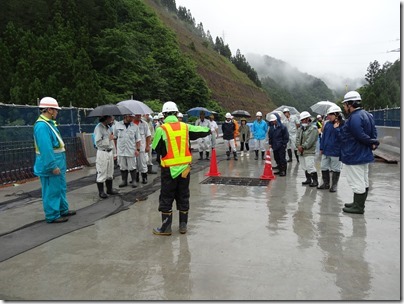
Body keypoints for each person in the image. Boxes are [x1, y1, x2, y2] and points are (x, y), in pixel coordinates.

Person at [152, 101, 211, 235]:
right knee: (183, 195)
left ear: (164, 114)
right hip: (185, 170)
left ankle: (166, 228)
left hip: (169, 170)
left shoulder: (162, 129)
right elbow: (203, 130)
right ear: (176, 113)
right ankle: (183, 226)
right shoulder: (185, 127)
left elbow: (156, 148)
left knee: (167, 197)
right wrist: (208, 129)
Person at [335, 91, 379, 214]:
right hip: (364, 154)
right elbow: (373, 131)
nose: (344, 107)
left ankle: (358, 207)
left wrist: (372, 141)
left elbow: (359, 135)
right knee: (363, 180)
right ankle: (358, 203)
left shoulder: (354, 117)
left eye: (345, 105)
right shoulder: (367, 115)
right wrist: (373, 142)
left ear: (350, 104)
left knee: (357, 181)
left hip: (354, 154)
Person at [34, 97, 76, 223]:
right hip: (51, 163)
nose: (57, 112)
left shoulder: (48, 124)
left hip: (58, 160)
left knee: (60, 187)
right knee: (51, 190)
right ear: (50, 110)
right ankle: (52, 215)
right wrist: (52, 165)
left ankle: (62, 209)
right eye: (56, 110)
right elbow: (46, 148)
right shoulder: (42, 126)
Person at [317, 105, 343, 192]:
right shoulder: (327, 124)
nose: (329, 116)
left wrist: (337, 129)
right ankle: (326, 183)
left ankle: (334, 185)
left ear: (336, 115)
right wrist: (321, 147)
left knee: (336, 169)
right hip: (326, 150)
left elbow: (342, 138)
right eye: (328, 115)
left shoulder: (342, 124)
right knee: (323, 167)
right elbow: (324, 137)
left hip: (335, 151)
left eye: (331, 115)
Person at [94, 115, 120, 198]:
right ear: (106, 118)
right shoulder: (99, 128)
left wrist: (115, 153)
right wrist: (108, 139)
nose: (112, 119)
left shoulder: (108, 127)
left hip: (110, 151)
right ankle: (101, 192)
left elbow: (112, 142)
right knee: (102, 171)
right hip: (102, 152)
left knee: (110, 172)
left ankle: (109, 189)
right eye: (110, 117)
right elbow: (98, 143)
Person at [114, 114, 141, 188]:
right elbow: (114, 138)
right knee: (122, 166)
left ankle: (134, 180)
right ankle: (124, 181)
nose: (132, 118)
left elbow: (138, 139)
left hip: (131, 150)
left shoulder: (135, 127)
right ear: (125, 116)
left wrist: (138, 149)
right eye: (130, 117)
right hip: (121, 150)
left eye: (133, 117)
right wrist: (115, 150)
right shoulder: (117, 125)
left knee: (132, 166)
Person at [296, 111, 319, 187]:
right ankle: (308, 179)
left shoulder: (313, 128)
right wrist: (298, 146)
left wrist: (302, 147)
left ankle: (315, 181)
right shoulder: (301, 128)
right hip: (301, 151)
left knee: (310, 166)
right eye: (302, 120)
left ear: (308, 119)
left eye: (304, 119)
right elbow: (297, 138)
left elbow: (310, 141)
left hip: (309, 151)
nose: (303, 121)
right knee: (304, 166)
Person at [132, 113, 152, 184]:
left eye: (140, 115)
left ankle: (144, 177)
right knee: (133, 164)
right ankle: (135, 178)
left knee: (143, 163)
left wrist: (147, 146)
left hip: (142, 147)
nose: (139, 116)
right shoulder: (130, 124)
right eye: (137, 115)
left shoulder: (144, 124)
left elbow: (148, 136)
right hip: (132, 148)